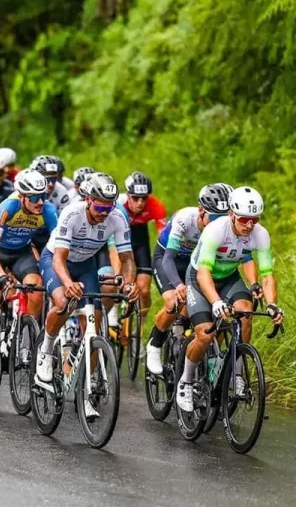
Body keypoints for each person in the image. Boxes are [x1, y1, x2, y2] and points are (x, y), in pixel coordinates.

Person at [36, 172, 138, 419]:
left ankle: (86, 389)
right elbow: (59, 258)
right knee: (63, 302)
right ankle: (46, 353)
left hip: (85, 264)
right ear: (89, 199)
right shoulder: (72, 213)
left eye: (109, 206)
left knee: (94, 322)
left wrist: (129, 282)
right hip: (57, 261)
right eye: (100, 206)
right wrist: (68, 283)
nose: (105, 212)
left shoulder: (117, 218)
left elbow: (127, 259)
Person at [176, 186, 284, 413]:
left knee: (245, 314)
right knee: (205, 333)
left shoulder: (260, 234)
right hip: (200, 278)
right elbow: (203, 273)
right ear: (232, 214)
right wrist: (216, 303)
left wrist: (273, 304)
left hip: (228, 277)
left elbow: (267, 275)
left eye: (255, 219)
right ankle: (185, 381)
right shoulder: (215, 230)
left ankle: (235, 374)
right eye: (244, 219)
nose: (249, 225)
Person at [0, 170, 56, 375]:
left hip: (22, 253)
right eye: (35, 197)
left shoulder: (48, 210)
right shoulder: (8, 207)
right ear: (22, 197)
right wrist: (1, 275)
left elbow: (58, 244)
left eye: (43, 196)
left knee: (36, 291)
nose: (40, 202)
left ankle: (25, 347)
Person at [146, 183, 232, 375]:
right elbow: (167, 259)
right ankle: (155, 344)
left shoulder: (224, 227)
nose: (220, 222)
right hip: (169, 259)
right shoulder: (185, 219)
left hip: (195, 264)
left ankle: (188, 340)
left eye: (224, 217)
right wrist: (177, 285)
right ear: (201, 211)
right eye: (215, 217)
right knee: (175, 301)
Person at [115, 171, 167, 327]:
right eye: (135, 198)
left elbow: (163, 236)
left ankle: (140, 327)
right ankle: (112, 316)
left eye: (144, 198)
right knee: (116, 280)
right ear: (127, 195)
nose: (140, 203)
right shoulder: (118, 204)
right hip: (119, 238)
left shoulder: (156, 205)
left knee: (144, 290)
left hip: (140, 240)